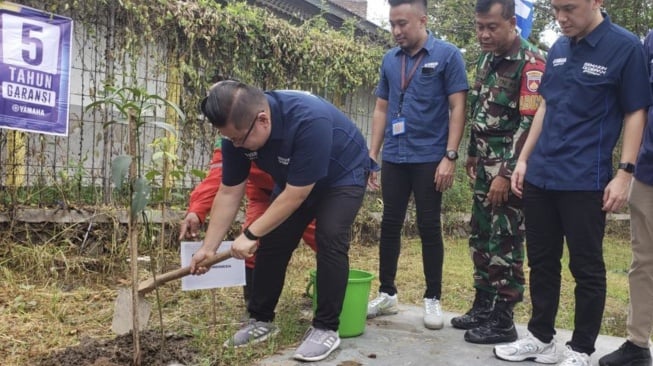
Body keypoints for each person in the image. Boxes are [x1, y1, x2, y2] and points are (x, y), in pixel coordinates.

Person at [494, 1, 651, 365]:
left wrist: (624, 173)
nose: (561, 18)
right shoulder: (560, 48)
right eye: (554, 10)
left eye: (569, 8)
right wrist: (524, 159)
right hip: (542, 174)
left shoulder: (625, 47)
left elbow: (635, 112)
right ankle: (540, 336)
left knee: (586, 267)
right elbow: (545, 106)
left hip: (584, 178)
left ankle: (580, 348)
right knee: (543, 261)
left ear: (596, 1)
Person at [189, 80, 375, 362]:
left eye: (239, 139)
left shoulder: (309, 119)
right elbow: (229, 192)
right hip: (295, 180)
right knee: (274, 240)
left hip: (342, 176)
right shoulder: (236, 135)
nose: (235, 145)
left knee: (330, 236)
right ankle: (261, 320)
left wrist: (250, 235)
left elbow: (296, 195)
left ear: (262, 119)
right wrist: (209, 247)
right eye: (230, 140)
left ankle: (326, 328)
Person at [365, 0, 468, 330]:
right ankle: (387, 294)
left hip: (429, 158)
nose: (396, 31)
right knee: (390, 224)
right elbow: (382, 108)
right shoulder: (389, 60)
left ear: (422, 20)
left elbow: (457, 107)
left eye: (403, 24)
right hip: (395, 156)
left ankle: (433, 298)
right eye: (392, 24)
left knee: (428, 226)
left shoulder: (448, 55)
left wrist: (450, 156)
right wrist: (373, 156)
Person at [451, 0, 545, 345]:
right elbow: (480, 107)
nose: (484, 34)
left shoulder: (531, 62)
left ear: (511, 23)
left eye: (492, 27)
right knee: (480, 236)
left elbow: (530, 121)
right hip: (484, 166)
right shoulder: (486, 58)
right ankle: (483, 305)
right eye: (479, 26)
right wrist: (473, 153)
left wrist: (506, 173)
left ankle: (504, 319)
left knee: (504, 241)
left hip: (509, 170)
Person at [178, 139, 317, 304]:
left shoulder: (281, 130)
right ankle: (254, 309)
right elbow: (221, 178)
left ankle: (335, 297)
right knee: (250, 246)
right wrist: (197, 210)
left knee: (323, 240)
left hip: (301, 193)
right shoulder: (230, 140)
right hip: (263, 194)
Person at [598, 30, 653, 366]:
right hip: (648, 169)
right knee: (643, 262)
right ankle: (637, 344)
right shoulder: (650, 40)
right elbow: (638, 101)